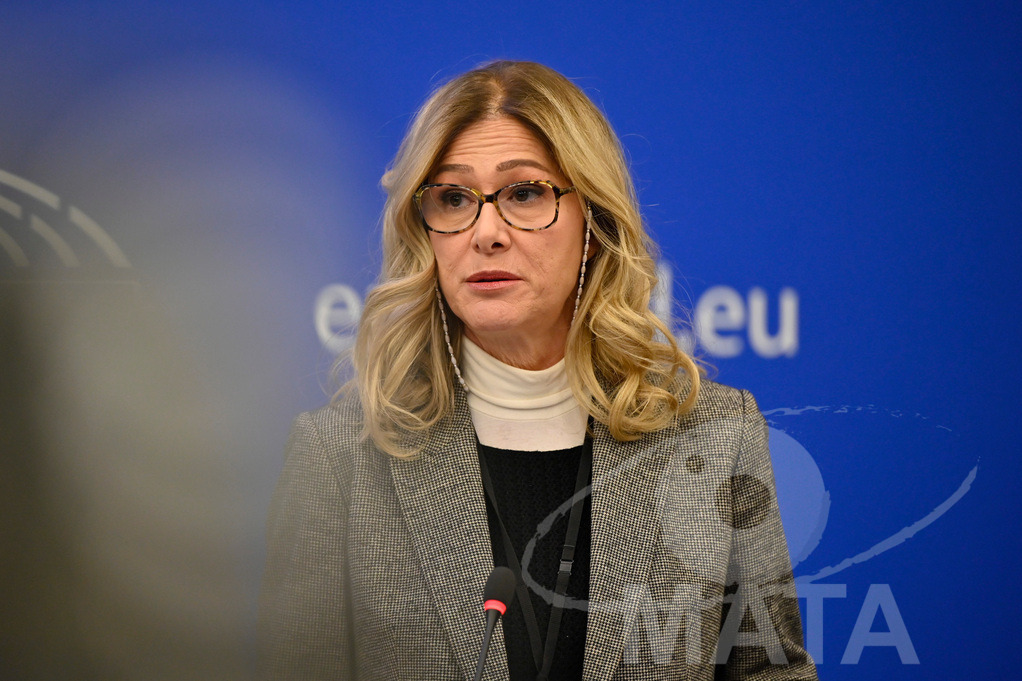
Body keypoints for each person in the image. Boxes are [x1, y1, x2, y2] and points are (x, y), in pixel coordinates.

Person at [259, 60, 818, 680]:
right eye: (452, 198)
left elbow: (771, 672)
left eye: (524, 193)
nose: (486, 232)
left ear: (594, 224)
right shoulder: (339, 457)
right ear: (427, 233)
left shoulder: (716, 435)